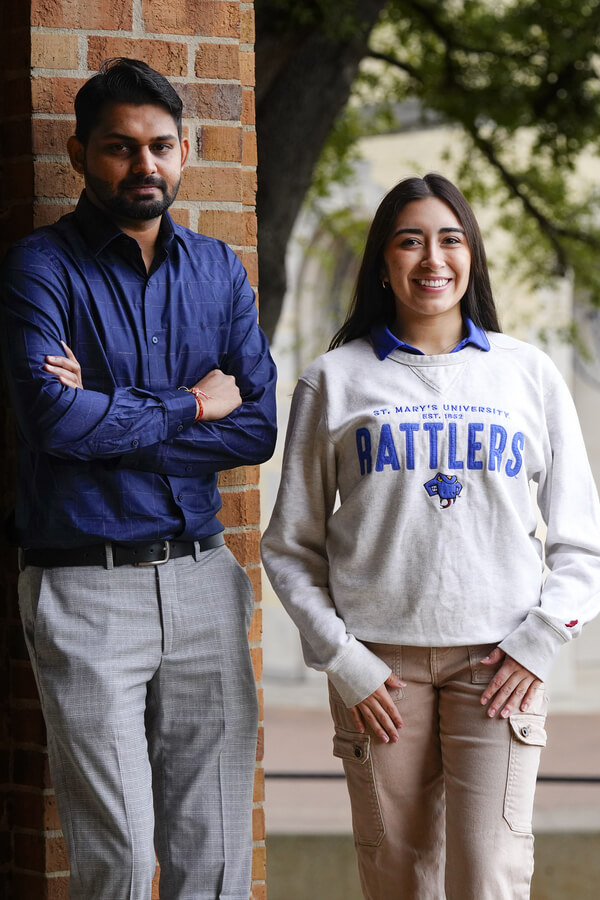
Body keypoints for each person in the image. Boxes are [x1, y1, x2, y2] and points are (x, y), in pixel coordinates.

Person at [261, 173, 600, 899]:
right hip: (379, 674)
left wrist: (538, 643)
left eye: (450, 239)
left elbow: (582, 543)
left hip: (499, 669)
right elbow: (290, 547)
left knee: (491, 879)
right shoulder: (333, 381)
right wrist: (344, 662)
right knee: (399, 882)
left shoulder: (527, 375)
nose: (432, 258)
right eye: (409, 240)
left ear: (472, 256)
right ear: (382, 262)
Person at [1, 58, 276, 900]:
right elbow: (51, 421)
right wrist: (192, 407)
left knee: (217, 857)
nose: (144, 165)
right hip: (85, 588)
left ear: (186, 151)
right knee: (118, 859)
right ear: (83, 154)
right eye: (121, 148)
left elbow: (258, 427)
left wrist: (108, 419)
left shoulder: (219, 272)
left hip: (201, 578)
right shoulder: (39, 269)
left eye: (160, 146)